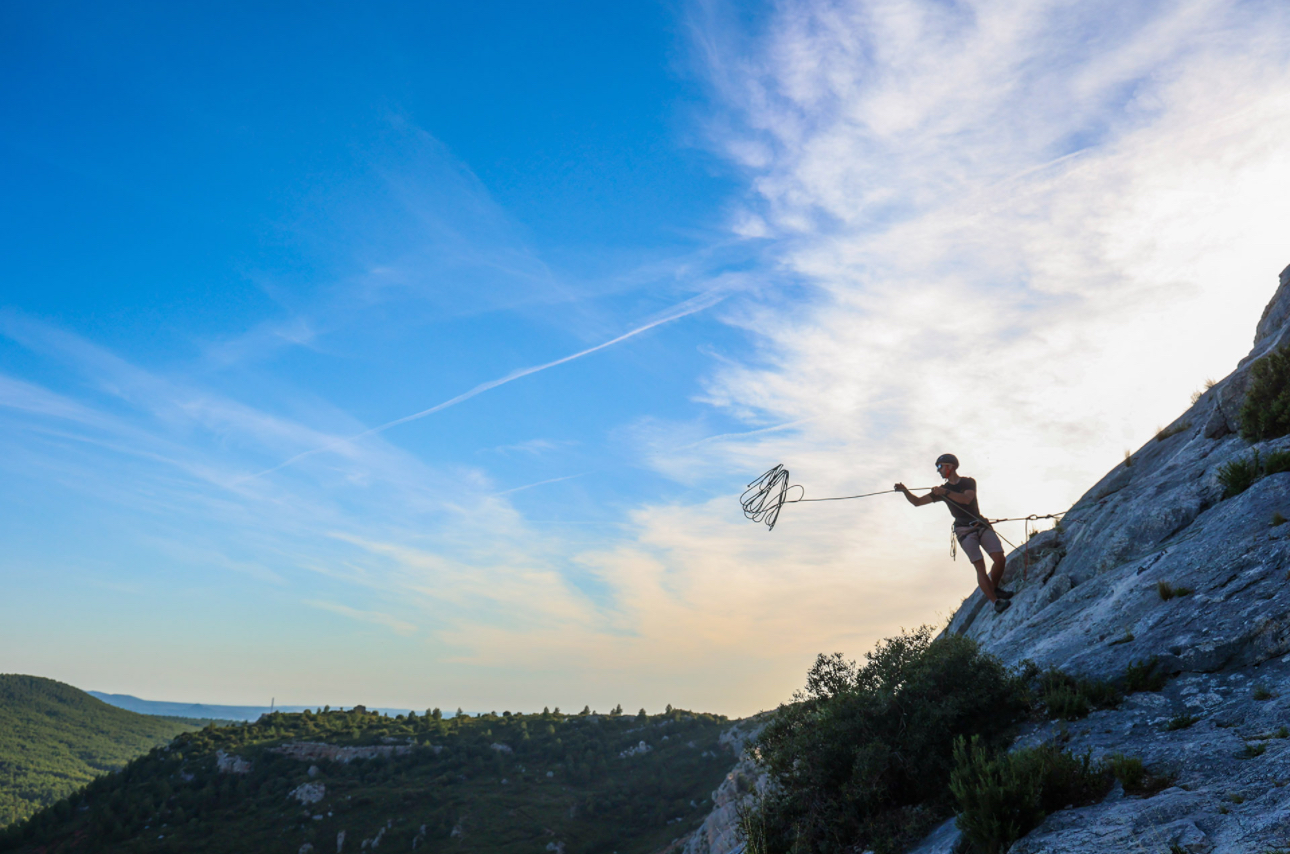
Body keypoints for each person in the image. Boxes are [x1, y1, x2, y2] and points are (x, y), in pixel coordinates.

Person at [895, 454, 1013, 614]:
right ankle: (995, 601)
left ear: (950, 466)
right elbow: (917, 502)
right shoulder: (941, 491)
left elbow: (966, 499)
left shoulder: (967, 482)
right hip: (963, 530)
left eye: (940, 466)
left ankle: (994, 588)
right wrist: (905, 491)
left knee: (999, 558)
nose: (938, 471)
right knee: (980, 566)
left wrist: (945, 492)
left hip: (980, 525)